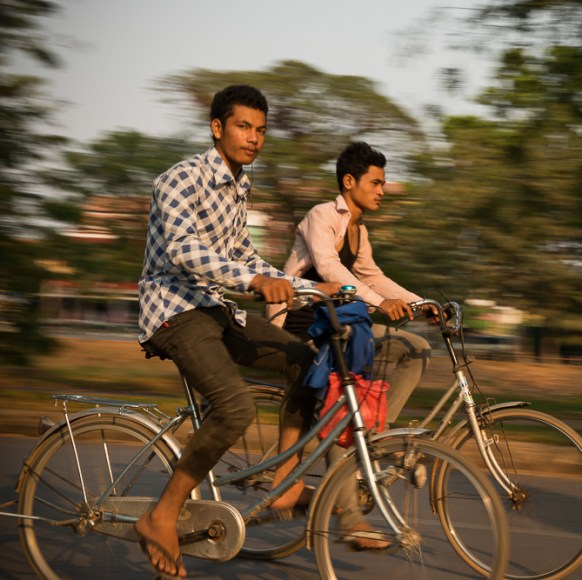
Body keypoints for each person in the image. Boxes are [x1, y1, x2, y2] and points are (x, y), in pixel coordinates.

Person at [134, 84, 337, 578]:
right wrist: (253, 280)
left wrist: (311, 288)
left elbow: (244, 256)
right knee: (234, 408)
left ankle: (286, 481)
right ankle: (161, 515)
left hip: (215, 310)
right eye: (244, 127)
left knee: (306, 361)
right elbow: (185, 250)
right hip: (173, 311)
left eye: (261, 130)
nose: (254, 138)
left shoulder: (238, 186)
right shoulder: (179, 179)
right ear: (217, 128)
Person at [268, 141, 433, 427]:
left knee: (417, 349)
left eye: (383, 184)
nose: (381, 191)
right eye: (375, 183)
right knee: (342, 400)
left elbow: (373, 276)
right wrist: (380, 303)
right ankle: (353, 438)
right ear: (349, 181)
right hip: (305, 326)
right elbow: (328, 267)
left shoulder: (360, 230)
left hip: (340, 326)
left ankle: (376, 430)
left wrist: (421, 304)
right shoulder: (322, 215)